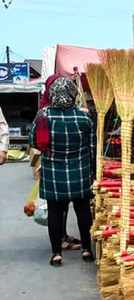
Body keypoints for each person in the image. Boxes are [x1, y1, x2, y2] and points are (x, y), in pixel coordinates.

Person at [31, 77, 95, 266]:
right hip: (79, 172)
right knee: (83, 211)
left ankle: (56, 254)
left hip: (53, 173)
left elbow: (34, 142)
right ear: (72, 94)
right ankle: (86, 250)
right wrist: (91, 169)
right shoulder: (84, 117)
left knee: (55, 213)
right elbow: (91, 148)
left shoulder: (43, 116)